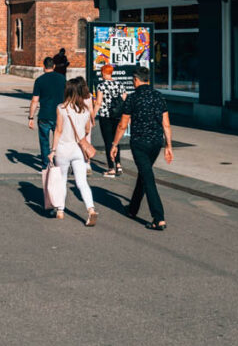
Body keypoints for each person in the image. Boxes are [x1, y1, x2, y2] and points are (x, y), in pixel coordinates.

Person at [110, 65, 173, 230]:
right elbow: (166, 124)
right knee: (144, 175)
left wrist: (114, 144)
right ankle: (132, 209)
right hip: (156, 143)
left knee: (148, 178)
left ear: (135, 80)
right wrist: (169, 146)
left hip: (139, 144)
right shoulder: (158, 96)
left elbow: (123, 125)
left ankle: (158, 218)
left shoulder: (132, 98)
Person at [49, 81, 98, 226]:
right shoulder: (85, 110)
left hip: (63, 149)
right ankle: (91, 209)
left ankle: (60, 210)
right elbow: (88, 129)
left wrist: (53, 150)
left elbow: (58, 130)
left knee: (62, 180)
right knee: (82, 182)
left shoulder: (61, 108)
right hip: (78, 150)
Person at [28, 56, 66, 170]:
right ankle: (59, 164)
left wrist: (30, 117)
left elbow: (35, 100)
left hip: (44, 114)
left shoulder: (39, 80)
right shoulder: (62, 79)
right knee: (59, 141)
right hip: (59, 115)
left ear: (43, 66)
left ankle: (46, 166)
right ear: (54, 66)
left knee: (44, 142)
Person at [94, 64, 127, 177]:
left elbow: (98, 103)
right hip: (117, 116)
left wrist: (92, 116)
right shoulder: (120, 84)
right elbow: (124, 100)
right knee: (115, 141)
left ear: (103, 73)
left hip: (106, 116)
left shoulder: (101, 86)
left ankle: (111, 167)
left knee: (108, 142)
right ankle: (118, 164)